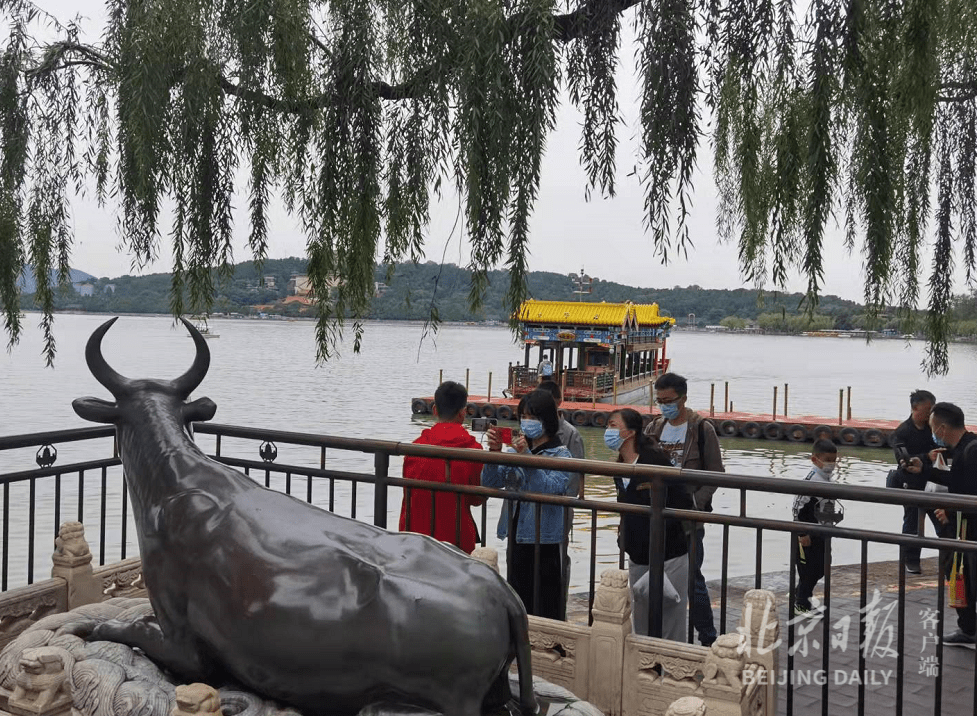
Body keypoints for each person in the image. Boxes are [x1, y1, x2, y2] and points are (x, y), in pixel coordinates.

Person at [643, 372, 723, 647]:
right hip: (656, 513)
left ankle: (708, 637)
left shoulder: (701, 429)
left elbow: (716, 472)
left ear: (683, 398)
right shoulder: (654, 428)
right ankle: (656, 633)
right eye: (659, 400)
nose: (664, 405)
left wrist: (695, 506)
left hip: (688, 517)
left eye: (669, 400)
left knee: (692, 577)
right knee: (651, 572)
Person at [482, 390, 572, 619]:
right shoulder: (514, 450)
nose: (527, 422)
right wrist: (494, 454)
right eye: (524, 416)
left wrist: (528, 458)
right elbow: (490, 482)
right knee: (518, 599)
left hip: (545, 538)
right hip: (516, 532)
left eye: (533, 417)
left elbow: (551, 488)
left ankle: (550, 648)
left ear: (547, 420)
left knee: (546, 601)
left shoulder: (561, 454)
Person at [607, 408, 695, 641]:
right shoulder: (618, 467)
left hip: (669, 555)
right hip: (637, 555)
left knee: (671, 621)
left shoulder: (654, 461)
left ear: (631, 432)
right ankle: (645, 672)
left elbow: (682, 499)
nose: (609, 431)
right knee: (642, 622)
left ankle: (672, 673)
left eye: (614, 425)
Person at [398, 381, 485, 554]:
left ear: (435, 410)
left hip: (415, 538)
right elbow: (477, 499)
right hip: (456, 541)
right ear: (463, 413)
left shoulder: (415, 448)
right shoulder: (473, 451)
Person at [926, 402, 977, 645]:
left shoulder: (971, 452)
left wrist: (952, 515)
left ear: (943, 428)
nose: (933, 434)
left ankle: (969, 630)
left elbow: (971, 495)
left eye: (933, 428)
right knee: (958, 574)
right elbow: (959, 481)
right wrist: (924, 471)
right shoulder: (965, 448)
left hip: (968, 529)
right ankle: (967, 628)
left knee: (963, 575)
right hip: (963, 527)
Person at [538, 380, 585, 620]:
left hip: (556, 511)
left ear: (558, 403)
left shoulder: (570, 435)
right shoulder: (530, 432)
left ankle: (557, 612)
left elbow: (573, 481)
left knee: (555, 562)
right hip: (529, 511)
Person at [889, 389, 942, 574]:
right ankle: (911, 561)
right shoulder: (902, 432)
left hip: (932, 483)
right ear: (914, 408)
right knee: (912, 523)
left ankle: (950, 557)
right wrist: (926, 456)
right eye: (927, 410)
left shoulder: (932, 428)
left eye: (932, 410)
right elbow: (903, 460)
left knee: (943, 522)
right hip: (911, 484)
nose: (929, 414)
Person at [792, 439, 843, 615]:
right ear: (815, 460)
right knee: (809, 571)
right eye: (827, 460)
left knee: (821, 568)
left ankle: (800, 597)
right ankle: (801, 604)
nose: (831, 464)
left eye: (834, 460)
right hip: (808, 535)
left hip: (823, 533)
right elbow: (797, 507)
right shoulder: (811, 480)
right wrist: (801, 532)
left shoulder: (827, 479)